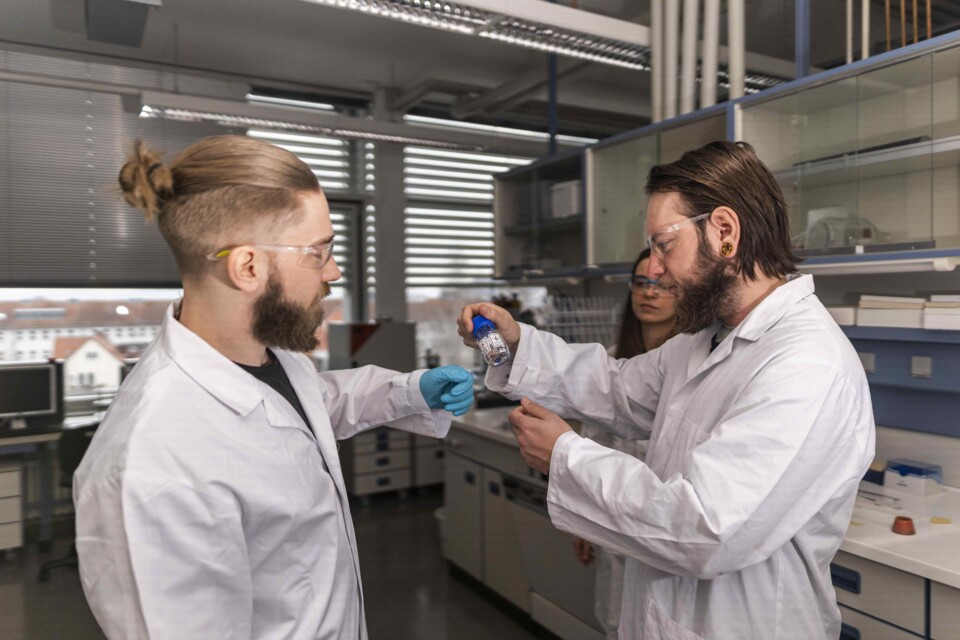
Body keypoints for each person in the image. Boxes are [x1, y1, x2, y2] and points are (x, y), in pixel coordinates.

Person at [458, 141, 875, 639]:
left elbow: (707, 528)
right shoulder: (705, 340)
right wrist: (517, 343)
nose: (652, 269)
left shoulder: (806, 362)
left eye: (663, 244)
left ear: (724, 231)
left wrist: (566, 456)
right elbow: (615, 388)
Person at [74, 135, 474, 640]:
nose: (333, 272)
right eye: (318, 252)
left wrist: (413, 392)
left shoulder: (271, 356)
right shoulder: (154, 466)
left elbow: (310, 409)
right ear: (247, 266)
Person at [571, 248, 677, 639]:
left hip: (662, 523)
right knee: (616, 621)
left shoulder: (691, 367)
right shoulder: (615, 360)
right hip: (612, 520)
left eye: (661, 284)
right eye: (641, 283)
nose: (649, 293)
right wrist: (583, 518)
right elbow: (594, 439)